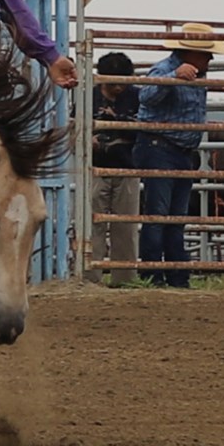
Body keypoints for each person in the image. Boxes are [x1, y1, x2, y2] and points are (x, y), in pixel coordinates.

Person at [134, 22, 224, 287]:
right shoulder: (166, 69)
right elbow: (146, 95)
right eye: (207, 53)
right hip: (160, 146)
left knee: (174, 215)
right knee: (161, 214)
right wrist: (173, 77)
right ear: (190, 53)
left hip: (179, 149)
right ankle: (155, 274)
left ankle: (174, 275)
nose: (210, 58)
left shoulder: (195, 73)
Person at [85, 52, 140, 286]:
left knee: (125, 226)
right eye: (114, 82)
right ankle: (90, 276)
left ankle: (124, 278)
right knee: (93, 224)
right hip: (95, 167)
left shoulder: (136, 95)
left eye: (123, 82)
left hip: (127, 167)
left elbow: (142, 129)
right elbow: (76, 126)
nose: (119, 88)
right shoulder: (90, 95)